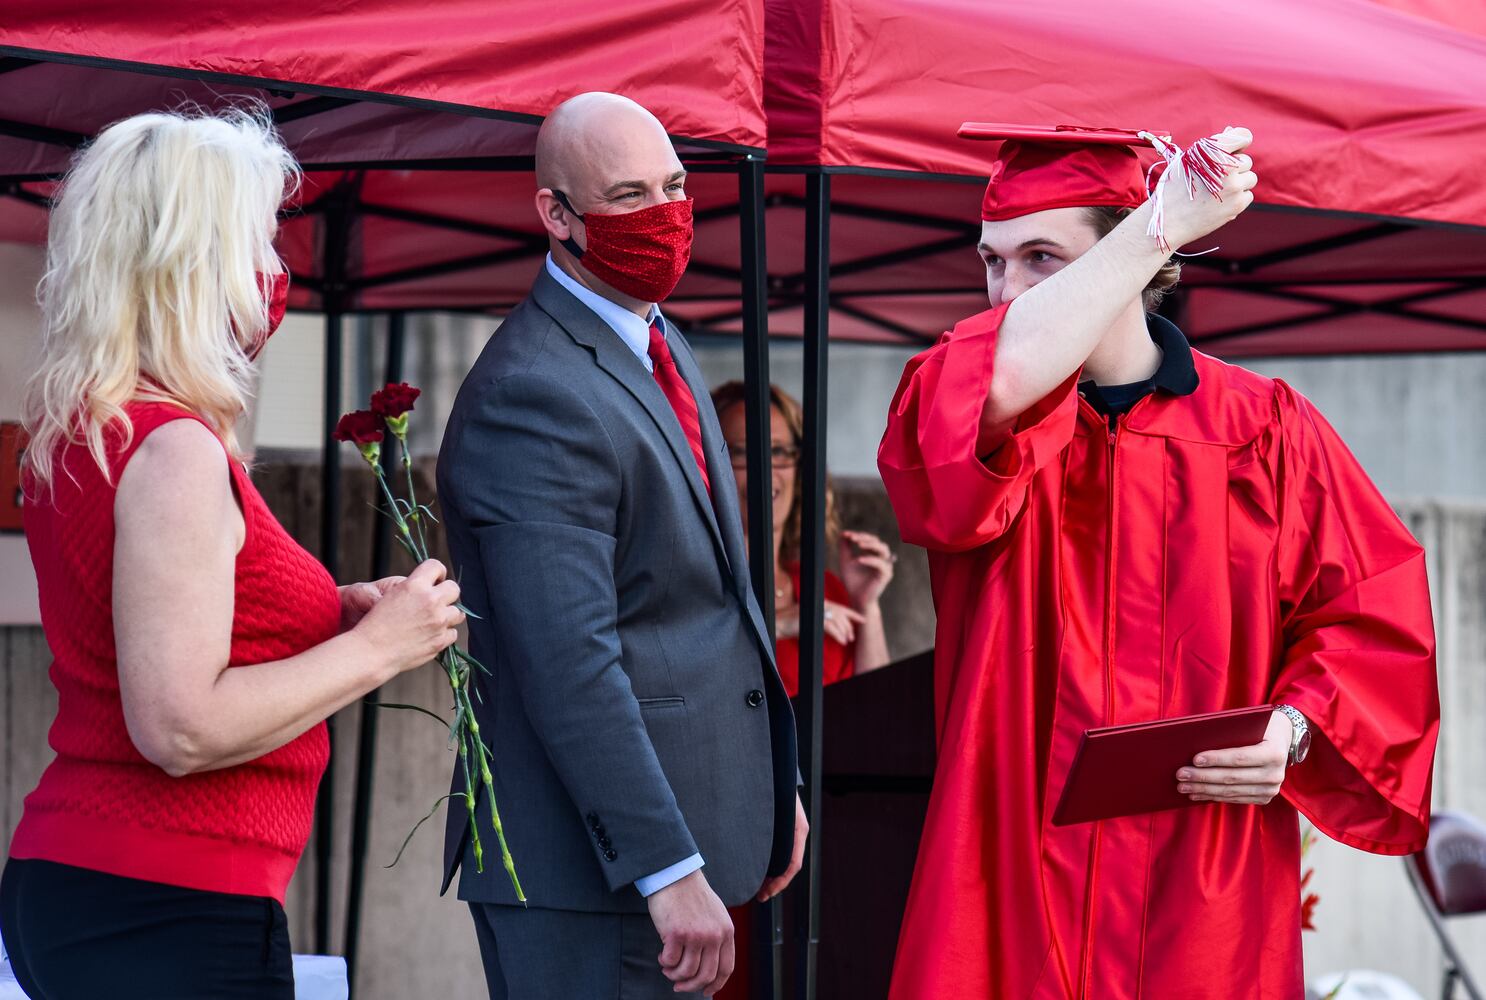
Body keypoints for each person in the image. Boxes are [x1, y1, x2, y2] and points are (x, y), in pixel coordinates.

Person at [878, 124, 1439, 998]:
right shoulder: (957, 402)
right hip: (1012, 874)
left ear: (1132, 261)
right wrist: (1157, 225)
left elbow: (1370, 617)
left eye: (1040, 257)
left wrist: (1291, 733)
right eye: (992, 261)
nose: (1004, 289)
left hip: (1203, 881)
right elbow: (989, 393)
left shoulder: (1264, 430)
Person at [0, 108, 463, 1000]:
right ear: (193, 260)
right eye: (258, 242)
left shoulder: (88, 432)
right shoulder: (170, 449)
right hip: (165, 898)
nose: (274, 275)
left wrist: (334, 613)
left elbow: (161, 629)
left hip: (111, 885)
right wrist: (377, 650)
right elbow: (180, 726)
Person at [436, 92, 804, 1000]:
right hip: (596, 882)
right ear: (556, 215)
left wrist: (770, 793)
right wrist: (666, 867)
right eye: (629, 195)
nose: (666, 217)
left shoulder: (654, 337)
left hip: (674, 866)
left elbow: (715, 603)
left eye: (676, 186)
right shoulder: (534, 391)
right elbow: (570, 661)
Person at [712, 381, 896, 695]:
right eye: (743, 451)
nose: (765, 469)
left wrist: (866, 606)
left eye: (779, 451)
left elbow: (877, 710)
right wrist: (777, 628)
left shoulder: (826, 591)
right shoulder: (693, 587)